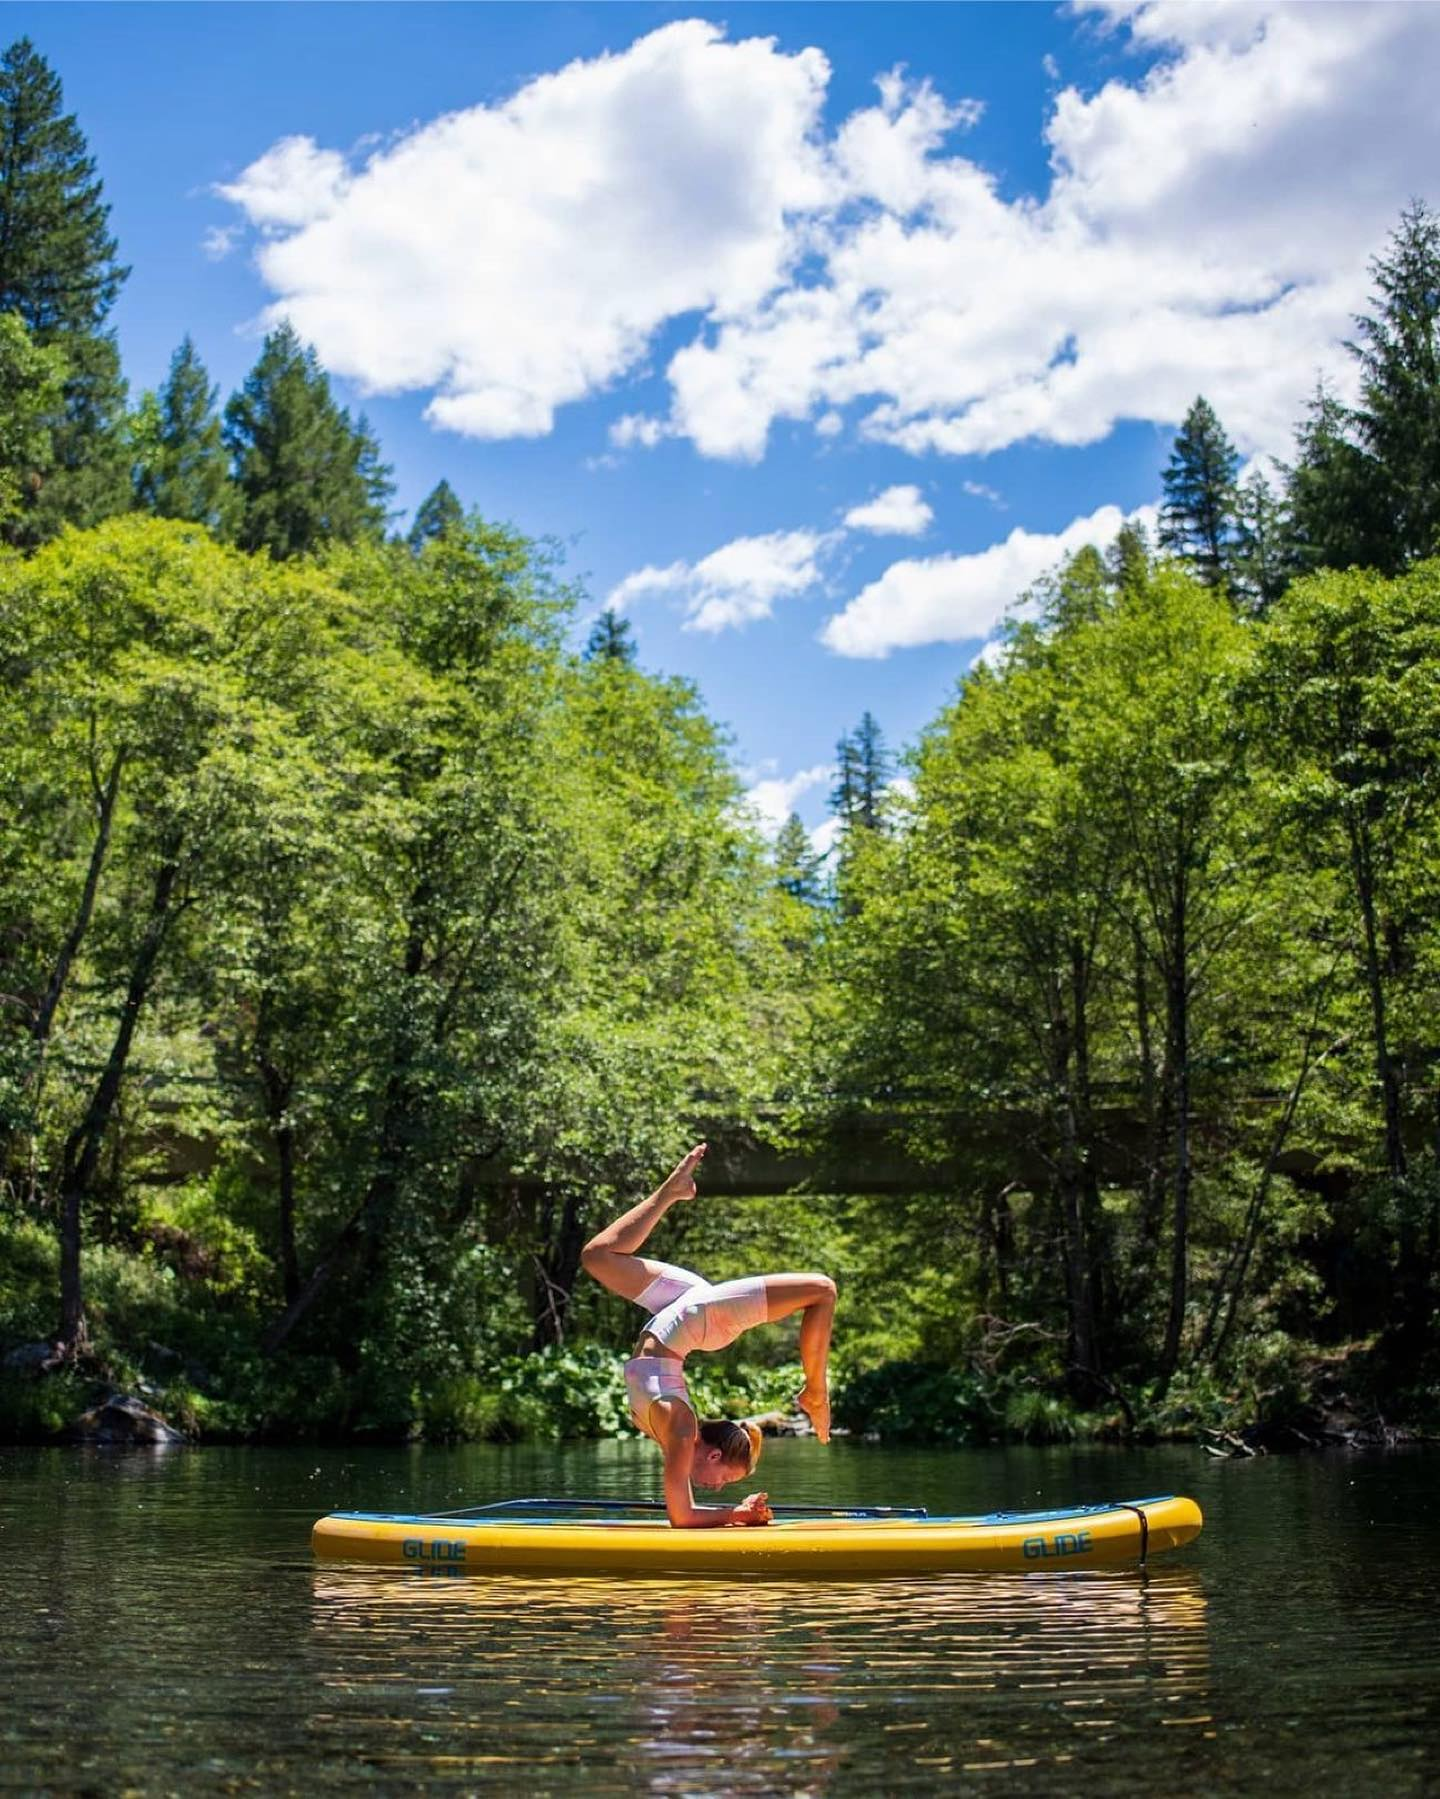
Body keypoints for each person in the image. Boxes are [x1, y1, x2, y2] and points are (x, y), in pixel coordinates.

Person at [580, 1143, 836, 1529]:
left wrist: (736, 1514)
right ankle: (815, 1393)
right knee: (822, 1290)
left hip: (681, 1312)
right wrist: (738, 1515)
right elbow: (683, 1517)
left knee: (596, 1257)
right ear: (713, 1456)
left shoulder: (679, 1435)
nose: (717, 1489)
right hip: (704, 1319)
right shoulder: (682, 1429)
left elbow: (680, 1516)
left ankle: (672, 1193)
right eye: (726, 1483)